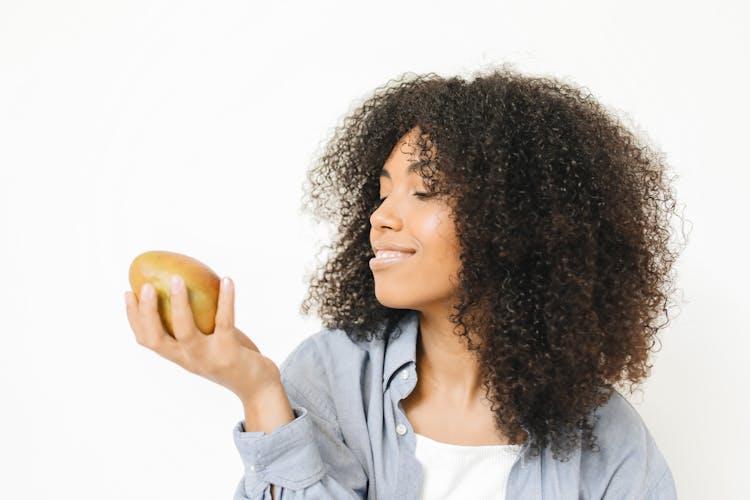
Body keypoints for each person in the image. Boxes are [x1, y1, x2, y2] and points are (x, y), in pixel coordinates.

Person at [124, 66, 682, 499]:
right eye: (384, 190)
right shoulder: (330, 378)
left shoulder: (605, 438)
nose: (381, 217)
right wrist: (260, 393)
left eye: (423, 192)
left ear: (514, 220)